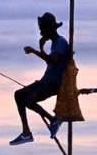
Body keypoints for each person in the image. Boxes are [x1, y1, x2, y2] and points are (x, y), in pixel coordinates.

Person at [9, 12, 71, 146]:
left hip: (53, 84)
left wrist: (37, 50)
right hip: (45, 81)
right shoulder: (55, 43)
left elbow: (53, 60)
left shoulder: (60, 42)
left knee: (28, 101)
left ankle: (53, 120)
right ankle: (26, 133)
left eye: (42, 29)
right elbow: (52, 62)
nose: (41, 32)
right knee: (19, 95)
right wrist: (41, 49)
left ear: (49, 29)